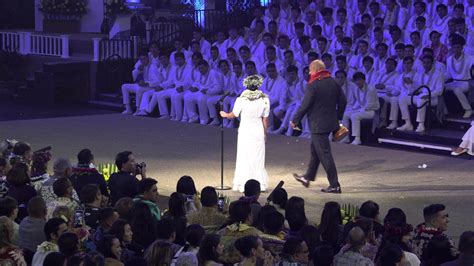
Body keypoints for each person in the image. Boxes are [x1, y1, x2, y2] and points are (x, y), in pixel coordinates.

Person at [291, 60, 346, 193]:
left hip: (318, 125)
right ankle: (308, 177)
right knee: (316, 150)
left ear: (315, 70)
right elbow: (343, 101)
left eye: (310, 70)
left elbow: (305, 104)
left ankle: (335, 184)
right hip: (330, 123)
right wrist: (338, 117)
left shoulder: (313, 85)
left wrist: (295, 120)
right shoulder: (333, 82)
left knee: (325, 154)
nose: (309, 73)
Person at [220, 74, 270, 192]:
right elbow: (265, 118)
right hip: (258, 130)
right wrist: (265, 133)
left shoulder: (241, 99)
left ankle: (243, 184)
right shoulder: (265, 99)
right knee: (257, 157)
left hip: (245, 130)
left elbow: (234, 114)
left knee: (245, 156)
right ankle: (259, 185)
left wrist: (225, 114)